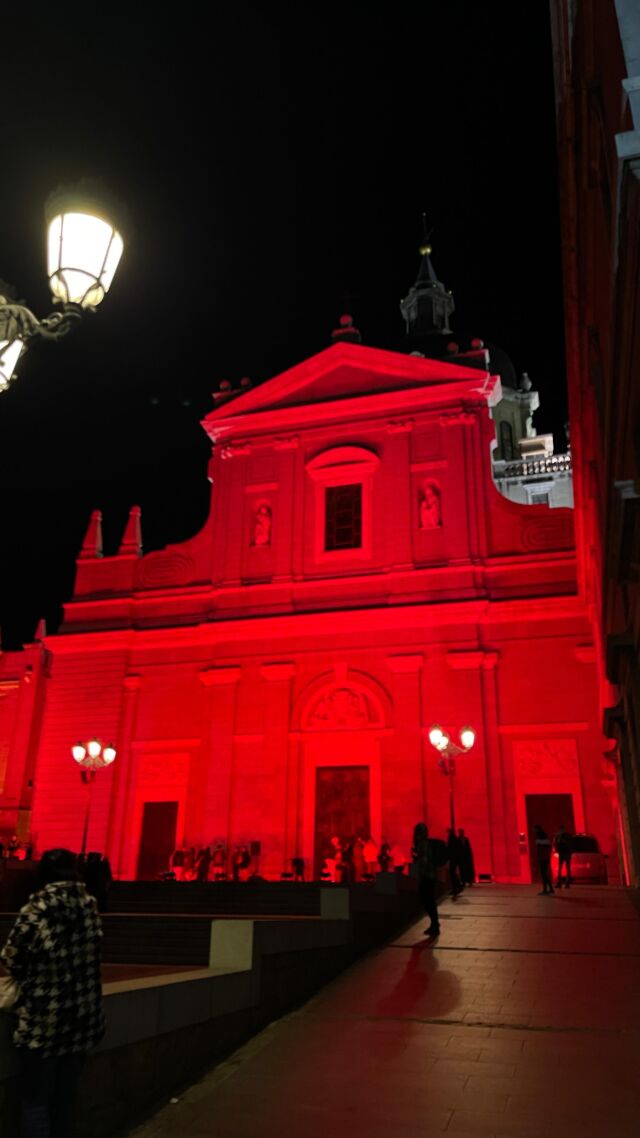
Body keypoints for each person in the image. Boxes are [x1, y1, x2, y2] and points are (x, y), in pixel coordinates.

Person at [0, 848, 105, 1138]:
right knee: (65, 1101)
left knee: (36, 1102)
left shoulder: (39, 907)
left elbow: (11, 956)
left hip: (43, 1022)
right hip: (81, 1021)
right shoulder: (88, 906)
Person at [412, 823, 440, 937]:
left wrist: (420, 875)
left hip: (427, 876)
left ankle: (435, 924)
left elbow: (423, 861)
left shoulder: (422, 844)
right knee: (429, 900)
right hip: (431, 875)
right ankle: (434, 924)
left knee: (425, 899)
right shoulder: (426, 843)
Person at [534, 824, 555, 894]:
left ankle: (545, 890)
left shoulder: (540, 838)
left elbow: (539, 849)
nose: (534, 831)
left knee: (543, 874)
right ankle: (550, 888)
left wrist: (538, 856)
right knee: (545, 873)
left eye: (535, 829)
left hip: (542, 858)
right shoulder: (545, 839)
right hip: (545, 857)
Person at [554, 823, 573, 888]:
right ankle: (567, 883)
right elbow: (571, 844)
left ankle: (560, 883)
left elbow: (556, 843)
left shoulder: (559, 835)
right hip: (567, 853)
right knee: (567, 868)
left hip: (562, 853)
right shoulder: (568, 835)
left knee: (560, 868)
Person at [447, 829, 463, 898]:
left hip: (453, 858)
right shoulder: (456, 839)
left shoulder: (451, 839)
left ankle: (457, 887)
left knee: (452, 873)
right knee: (452, 873)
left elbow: (450, 848)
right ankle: (457, 887)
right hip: (456, 859)